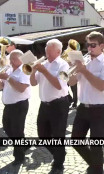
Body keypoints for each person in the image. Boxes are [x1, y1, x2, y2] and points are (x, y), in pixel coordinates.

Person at [68, 31, 104, 174]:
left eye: (93, 45)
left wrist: (84, 70)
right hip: (83, 108)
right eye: (88, 45)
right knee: (76, 140)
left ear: (102, 46)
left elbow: (102, 86)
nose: (89, 48)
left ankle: (97, 170)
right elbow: (71, 82)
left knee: (96, 145)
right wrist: (74, 70)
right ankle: (94, 164)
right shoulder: (85, 61)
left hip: (99, 109)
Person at [30, 39, 70, 174]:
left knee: (58, 135)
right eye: (46, 48)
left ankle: (59, 162)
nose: (46, 51)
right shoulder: (43, 64)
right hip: (44, 104)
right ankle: (59, 153)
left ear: (58, 51)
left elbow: (59, 85)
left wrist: (44, 71)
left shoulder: (64, 65)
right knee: (42, 135)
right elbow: (33, 83)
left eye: (49, 49)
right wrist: (33, 70)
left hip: (59, 104)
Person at [0, 50, 31, 165]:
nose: (11, 61)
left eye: (14, 59)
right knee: (7, 128)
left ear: (21, 59)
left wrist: (8, 77)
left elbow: (21, 88)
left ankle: (19, 157)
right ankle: (23, 145)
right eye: (11, 59)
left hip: (19, 104)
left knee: (17, 131)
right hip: (9, 105)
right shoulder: (10, 70)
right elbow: (1, 85)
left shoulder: (25, 70)